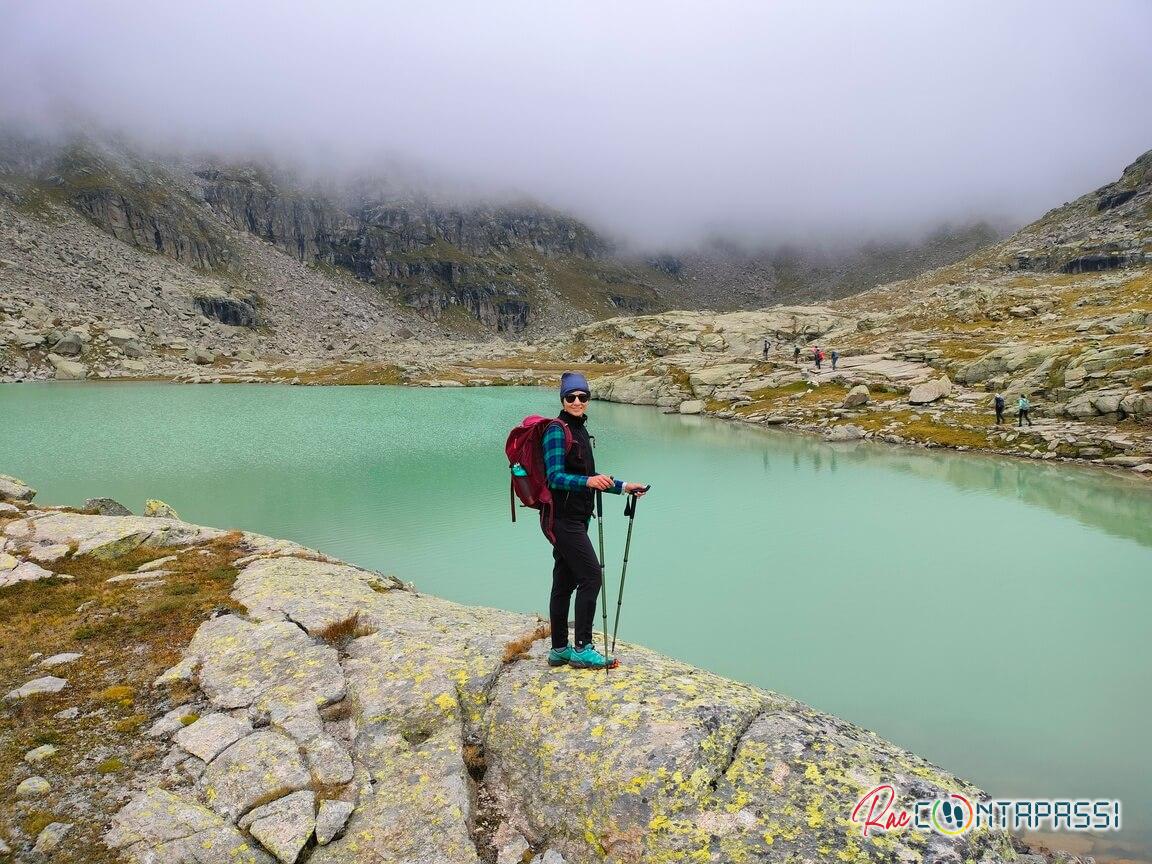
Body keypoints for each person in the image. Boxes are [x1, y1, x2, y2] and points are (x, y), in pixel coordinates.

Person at [542, 372, 648, 670]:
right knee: (591, 576)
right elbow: (555, 478)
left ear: (588, 400)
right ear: (562, 399)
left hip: (576, 518)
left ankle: (559, 649)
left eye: (582, 397)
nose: (577, 402)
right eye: (571, 397)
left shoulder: (580, 431)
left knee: (564, 581)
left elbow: (593, 478)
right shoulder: (556, 430)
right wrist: (588, 481)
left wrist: (624, 486)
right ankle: (582, 648)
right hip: (563, 520)